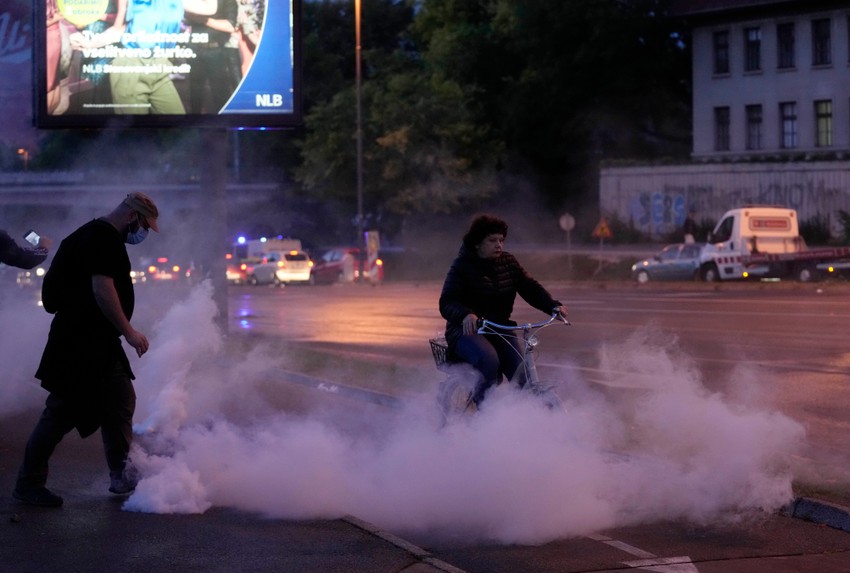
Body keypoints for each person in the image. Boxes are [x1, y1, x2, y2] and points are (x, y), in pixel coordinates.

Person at [12, 193, 159, 507]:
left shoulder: (90, 234)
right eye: (145, 224)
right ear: (133, 216)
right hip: (80, 343)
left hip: (95, 341)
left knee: (119, 399)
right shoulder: (102, 238)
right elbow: (102, 288)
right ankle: (28, 483)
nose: (143, 233)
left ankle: (121, 475)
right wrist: (129, 332)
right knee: (61, 412)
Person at [439, 214, 568, 408]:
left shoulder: (508, 262)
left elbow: (529, 287)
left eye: (501, 240)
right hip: (468, 331)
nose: (499, 245)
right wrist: (466, 314)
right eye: (492, 240)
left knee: (521, 375)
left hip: (500, 328)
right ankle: (482, 414)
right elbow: (447, 301)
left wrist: (552, 306)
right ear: (477, 243)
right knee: (489, 360)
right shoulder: (462, 266)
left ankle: (525, 425)